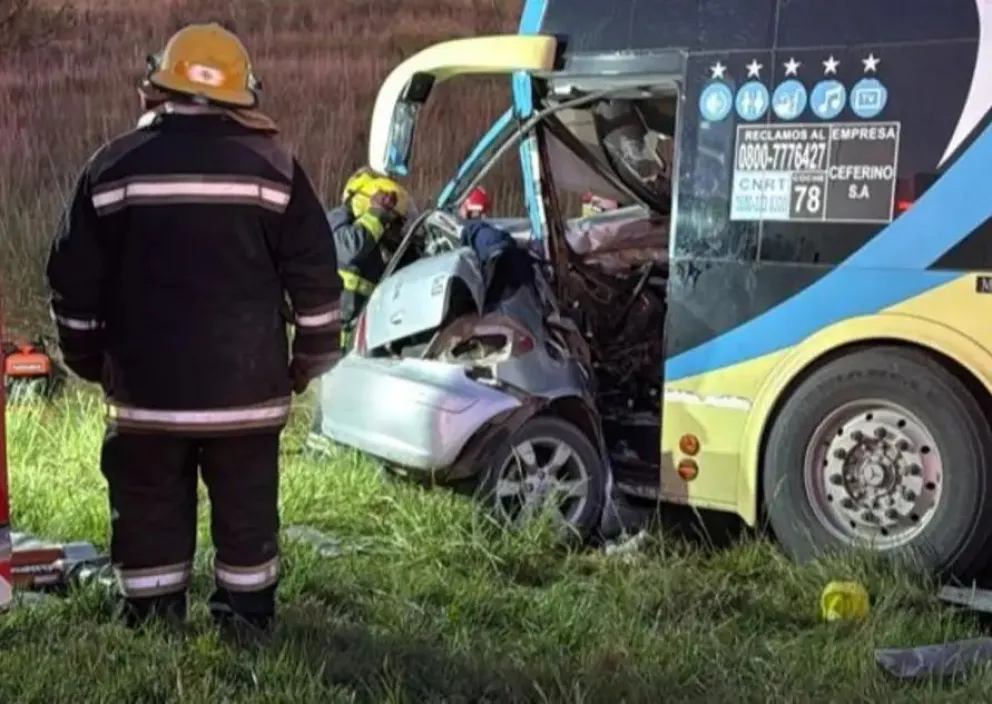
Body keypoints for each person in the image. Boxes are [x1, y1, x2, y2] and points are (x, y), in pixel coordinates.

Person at [45, 23, 343, 632]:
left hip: (146, 397)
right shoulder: (277, 169)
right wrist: (308, 361)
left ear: (158, 85)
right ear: (243, 94)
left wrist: (88, 358)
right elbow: (316, 280)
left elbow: (72, 282)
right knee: (247, 513)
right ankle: (245, 618)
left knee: (148, 507)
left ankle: (153, 618)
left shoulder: (112, 167)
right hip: (248, 395)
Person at [305, 168, 414, 450]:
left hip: (357, 335)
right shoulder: (336, 221)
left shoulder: (374, 240)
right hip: (332, 330)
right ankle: (317, 456)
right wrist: (376, 216)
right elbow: (346, 250)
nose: (390, 225)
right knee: (331, 401)